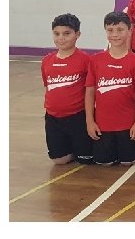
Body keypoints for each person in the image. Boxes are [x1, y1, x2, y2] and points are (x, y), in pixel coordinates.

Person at [85, 12, 135, 166]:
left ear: (129, 30)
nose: (115, 34)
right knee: (104, 162)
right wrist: (90, 121)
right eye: (110, 30)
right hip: (103, 124)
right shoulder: (96, 60)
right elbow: (90, 92)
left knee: (128, 161)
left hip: (127, 124)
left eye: (120, 30)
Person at [41, 13, 93, 165]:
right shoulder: (47, 61)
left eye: (66, 33)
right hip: (53, 118)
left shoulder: (86, 60)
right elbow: (48, 86)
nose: (61, 38)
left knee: (86, 159)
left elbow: (91, 90)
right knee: (59, 160)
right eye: (56, 34)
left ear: (77, 34)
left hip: (78, 116)